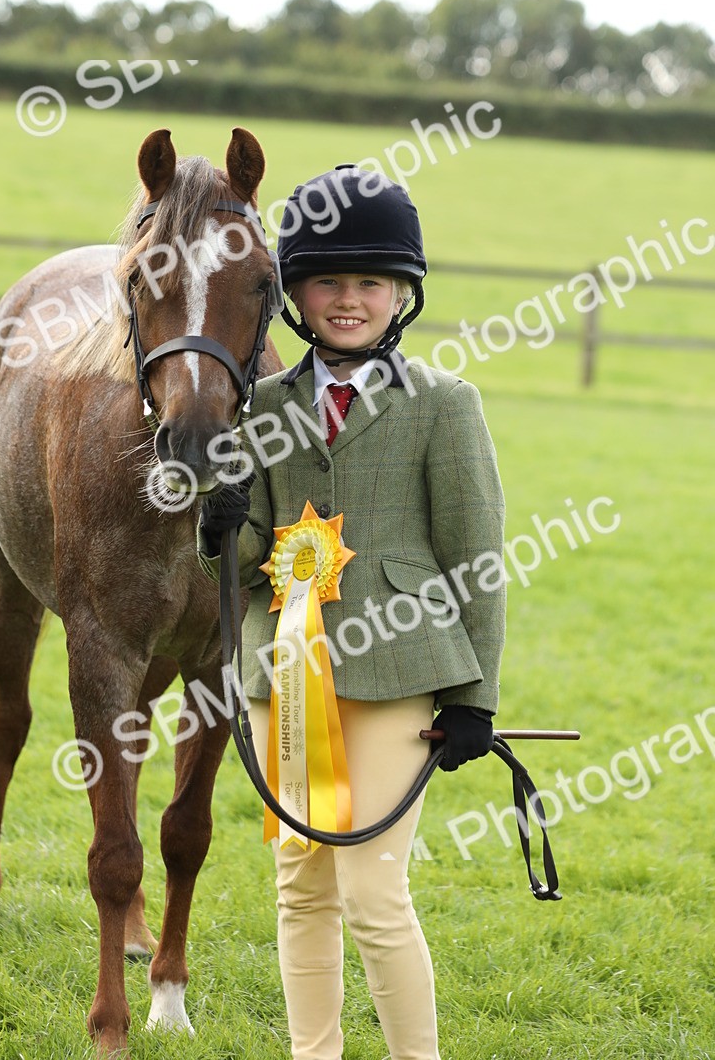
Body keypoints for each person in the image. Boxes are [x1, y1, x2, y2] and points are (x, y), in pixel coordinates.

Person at [197, 165, 506, 1060]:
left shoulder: (445, 405)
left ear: (401, 293)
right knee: (301, 888)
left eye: (370, 281)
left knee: (373, 894)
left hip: (403, 671)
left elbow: (477, 561)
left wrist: (475, 698)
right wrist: (217, 527)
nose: (347, 300)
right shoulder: (262, 406)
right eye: (328, 280)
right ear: (294, 293)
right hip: (286, 673)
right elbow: (246, 561)